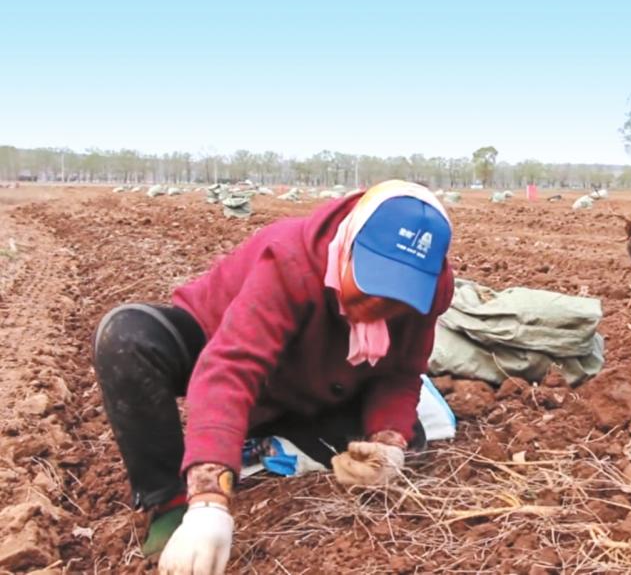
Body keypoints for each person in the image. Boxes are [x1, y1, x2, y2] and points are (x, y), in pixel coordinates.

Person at [92, 180, 454, 575]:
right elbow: (231, 367)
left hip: (312, 387)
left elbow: (401, 374)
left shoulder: (429, 294)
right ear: (348, 245)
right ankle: (169, 504)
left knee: (409, 439)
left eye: (396, 297)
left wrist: (388, 443)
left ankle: (266, 438)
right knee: (127, 338)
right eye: (372, 281)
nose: (378, 304)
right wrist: (208, 500)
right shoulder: (290, 259)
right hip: (218, 348)